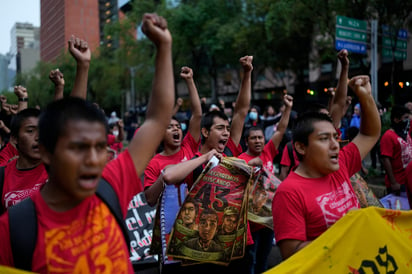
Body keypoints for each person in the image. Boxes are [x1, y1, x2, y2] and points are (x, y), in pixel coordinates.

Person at [0, 13, 175, 272]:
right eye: (78, 148)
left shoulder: (110, 186)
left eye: (99, 147)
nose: (94, 159)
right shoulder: (14, 229)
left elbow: (157, 120)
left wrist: (163, 47)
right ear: (46, 151)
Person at [272, 75, 381, 260]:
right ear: (301, 147)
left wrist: (365, 97)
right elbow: (291, 255)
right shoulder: (288, 193)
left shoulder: (341, 165)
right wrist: (345, 229)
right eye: (324, 139)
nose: (335, 145)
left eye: (335, 138)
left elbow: (370, 134)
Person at [238, 94, 292, 274]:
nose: (258, 141)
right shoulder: (240, 160)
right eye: (253, 138)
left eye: (260, 138)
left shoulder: (268, 152)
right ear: (247, 141)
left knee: (264, 260)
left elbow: (281, 130)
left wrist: (288, 108)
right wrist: (251, 165)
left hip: (269, 221)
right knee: (250, 262)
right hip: (250, 224)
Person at [144, 66, 202, 207]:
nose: (176, 129)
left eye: (177, 126)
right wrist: (165, 176)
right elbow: (150, 200)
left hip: (195, 220)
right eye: (169, 127)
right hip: (170, 225)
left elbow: (197, 115)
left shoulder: (188, 146)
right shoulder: (154, 163)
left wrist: (190, 81)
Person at [380, 105, 412, 195]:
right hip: (398, 184)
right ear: (396, 119)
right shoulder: (388, 136)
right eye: (405, 118)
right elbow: (385, 159)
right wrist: (393, 183)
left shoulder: (405, 133)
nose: (408, 121)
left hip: (408, 181)